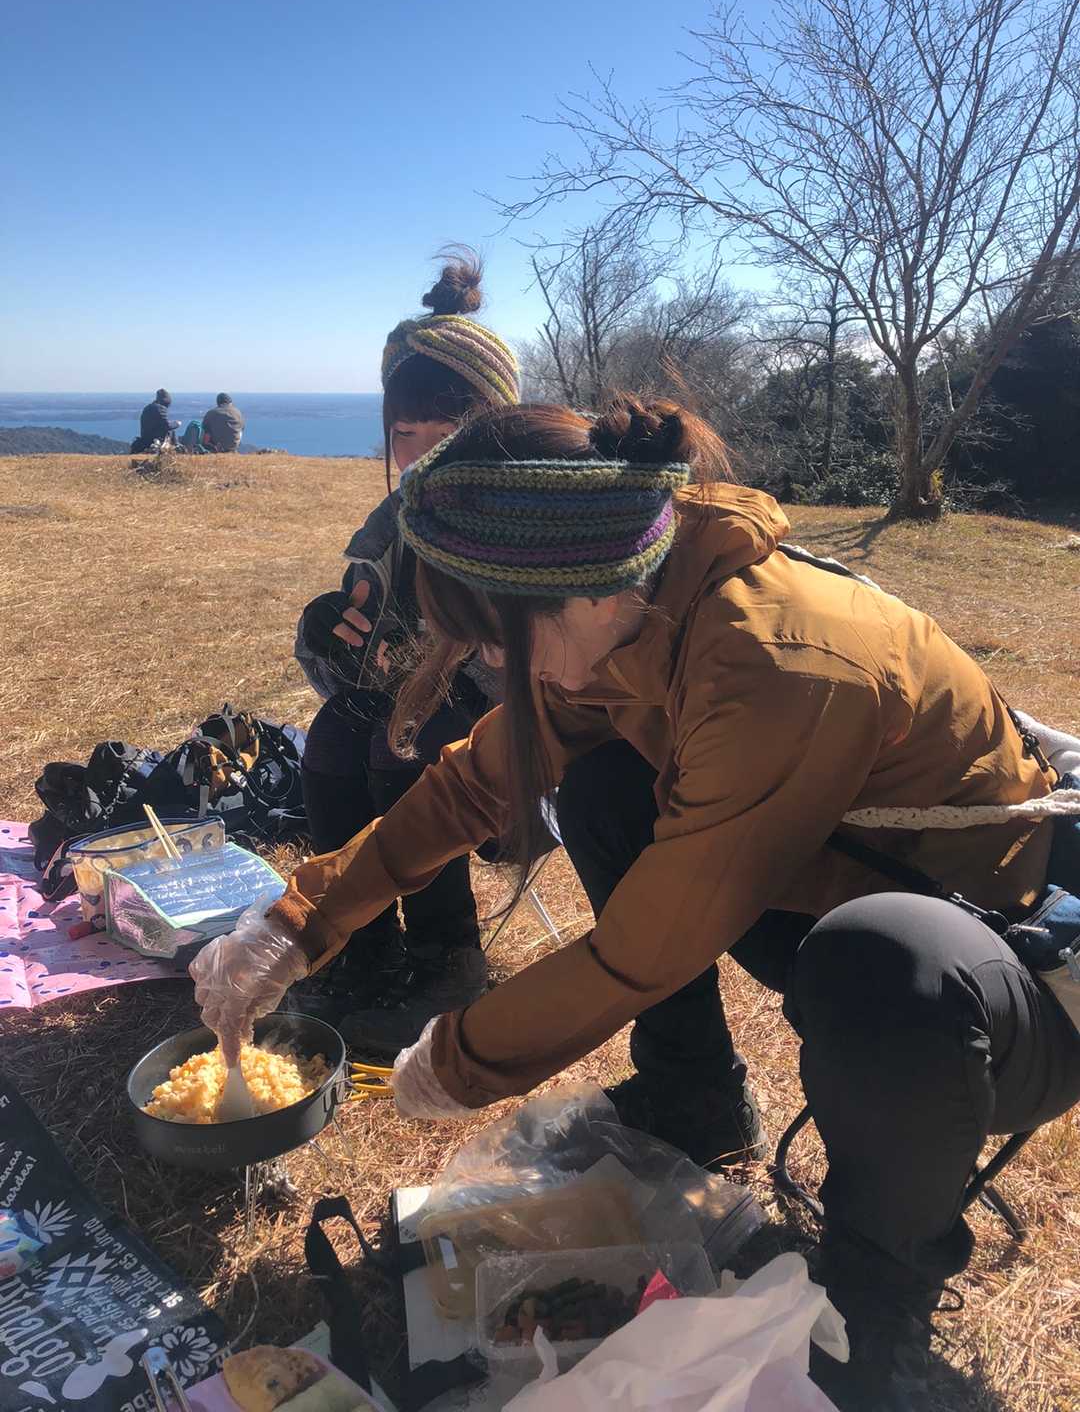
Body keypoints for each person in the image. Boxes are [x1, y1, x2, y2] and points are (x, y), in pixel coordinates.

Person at [194, 395, 1080, 1409]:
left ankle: (877, 1312)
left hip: (1001, 985)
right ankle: (691, 1092)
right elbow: (477, 781)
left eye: (495, 639)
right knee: (603, 785)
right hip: (841, 890)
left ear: (575, 592)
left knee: (882, 959)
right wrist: (296, 921)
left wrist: (460, 1057)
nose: (491, 665)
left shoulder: (774, 661)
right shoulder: (638, 602)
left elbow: (644, 949)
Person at [289, 251, 519, 1052]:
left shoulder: (527, 523)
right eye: (405, 435)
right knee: (334, 736)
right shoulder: (393, 530)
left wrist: (475, 650)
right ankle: (360, 947)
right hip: (423, 720)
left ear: (497, 426)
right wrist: (324, 634)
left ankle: (447, 956)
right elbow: (355, 674)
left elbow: (552, 681)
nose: (424, 455)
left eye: (449, 433)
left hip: (531, 750)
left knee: (402, 743)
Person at [132, 388, 179, 453]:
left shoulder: (148, 407)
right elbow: (167, 426)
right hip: (154, 439)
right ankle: (176, 448)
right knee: (171, 431)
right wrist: (176, 424)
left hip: (145, 438)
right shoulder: (160, 408)